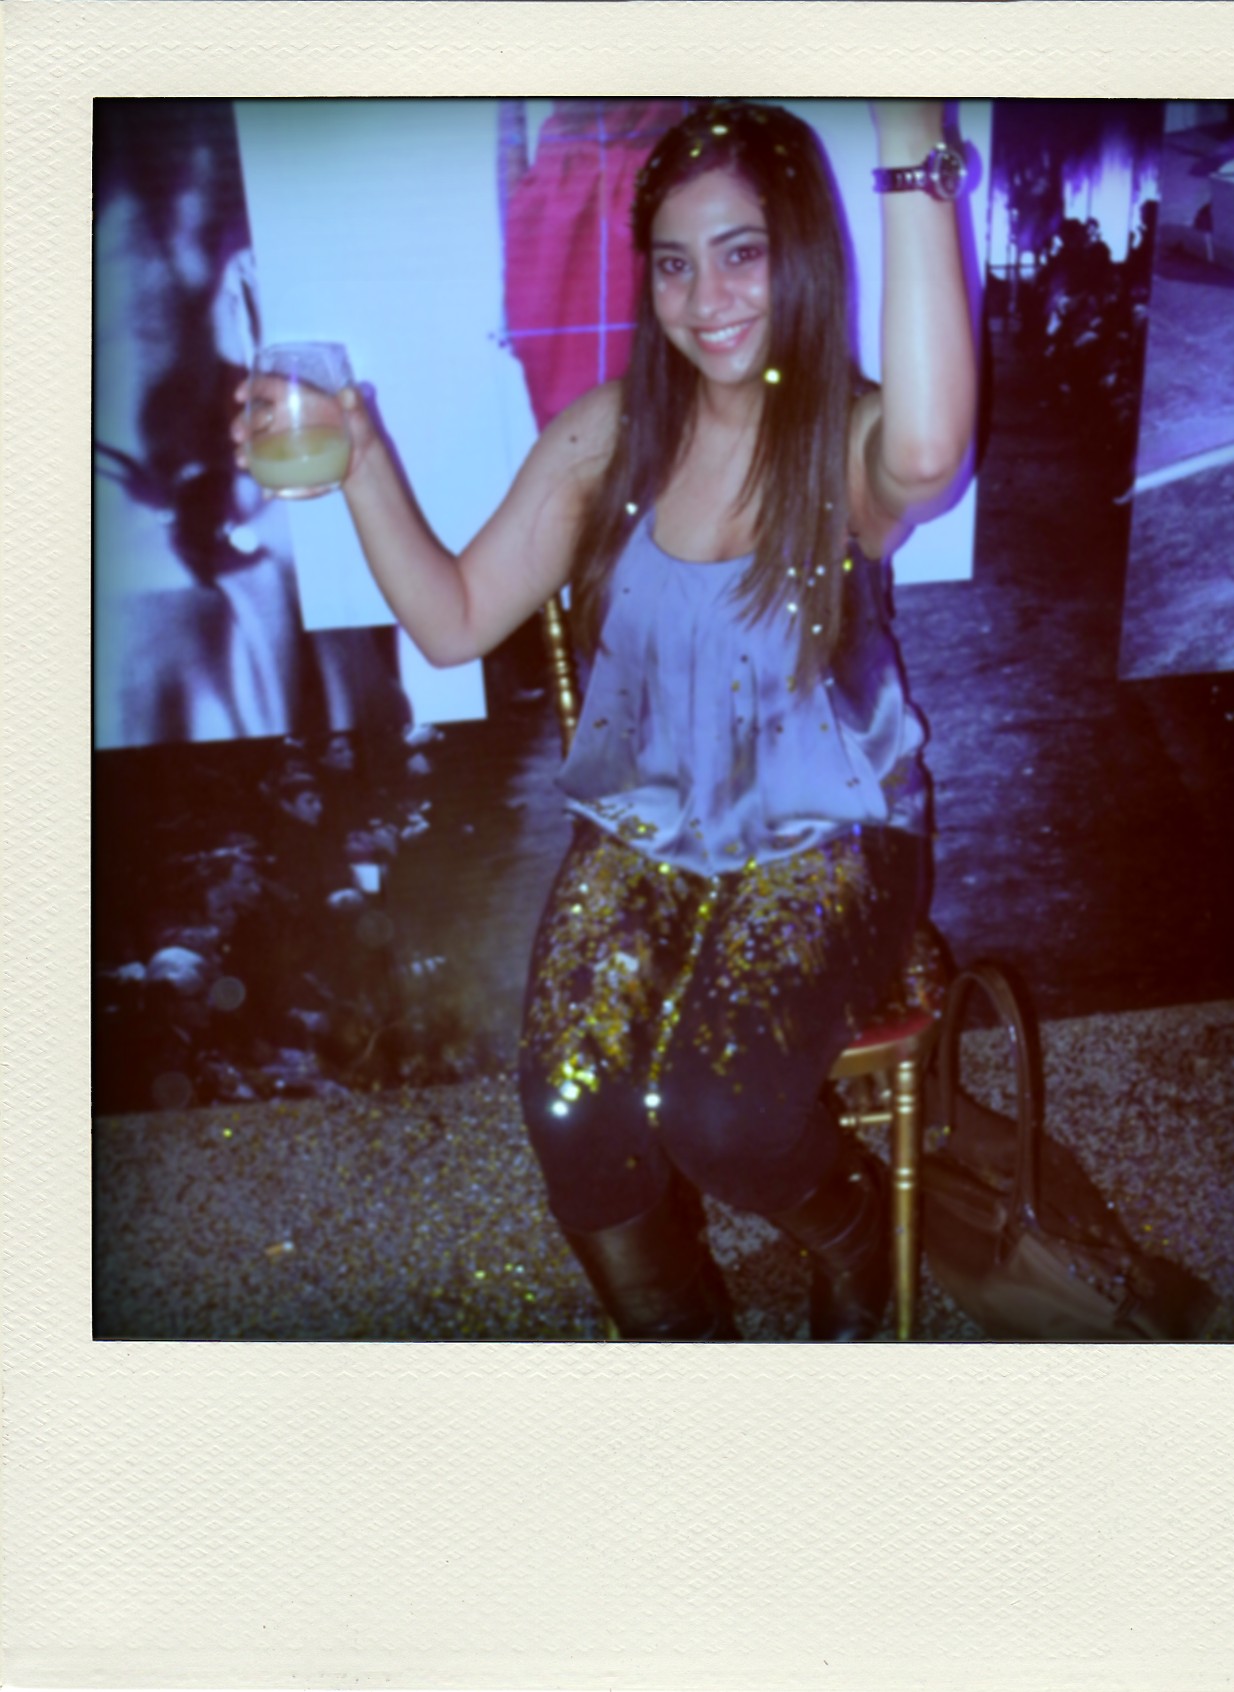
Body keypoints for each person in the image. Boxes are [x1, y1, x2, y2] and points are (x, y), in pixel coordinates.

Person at [234, 99, 976, 1341]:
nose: (707, 299)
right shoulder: (607, 434)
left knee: (725, 1115)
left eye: (741, 253)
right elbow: (455, 621)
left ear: (801, 253)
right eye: (675, 264)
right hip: (645, 831)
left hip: (832, 831)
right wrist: (360, 460)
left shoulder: (847, 439)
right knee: (572, 1110)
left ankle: (857, 1236)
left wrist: (910, 148)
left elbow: (935, 445)